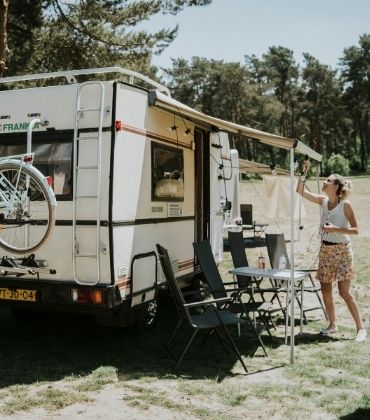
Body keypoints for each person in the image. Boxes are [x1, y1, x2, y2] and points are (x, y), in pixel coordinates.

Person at [296, 164, 367, 342]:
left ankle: (361, 329)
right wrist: (303, 172)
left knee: (344, 292)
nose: (325, 182)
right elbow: (300, 190)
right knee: (326, 291)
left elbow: (357, 230)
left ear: (335, 186)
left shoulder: (346, 204)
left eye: (328, 180)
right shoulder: (323, 200)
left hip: (342, 251)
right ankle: (332, 325)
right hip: (326, 250)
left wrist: (336, 229)